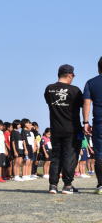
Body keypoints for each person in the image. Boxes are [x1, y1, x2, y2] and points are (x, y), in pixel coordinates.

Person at [44, 64, 83, 194]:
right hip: (72, 128)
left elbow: (48, 102)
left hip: (55, 129)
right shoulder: (75, 90)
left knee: (56, 156)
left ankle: (53, 185)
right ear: (69, 75)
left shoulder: (49, 89)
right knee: (70, 156)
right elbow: (82, 105)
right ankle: (67, 185)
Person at [82, 57, 102, 194]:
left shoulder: (91, 83)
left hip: (99, 123)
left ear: (98, 68)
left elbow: (86, 103)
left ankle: (101, 184)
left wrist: (86, 122)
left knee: (100, 154)